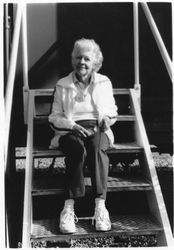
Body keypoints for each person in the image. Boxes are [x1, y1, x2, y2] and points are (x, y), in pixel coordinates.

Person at [49, 38, 118, 234]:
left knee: (97, 149)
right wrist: (72, 126)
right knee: (76, 150)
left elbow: (112, 110)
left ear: (95, 62)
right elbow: (54, 117)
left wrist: (105, 119)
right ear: (73, 60)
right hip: (69, 130)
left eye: (87, 58)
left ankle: (100, 207)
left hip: (98, 128)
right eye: (78, 57)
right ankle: (69, 207)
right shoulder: (62, 84)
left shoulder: (104, 82)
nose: (82, 62)